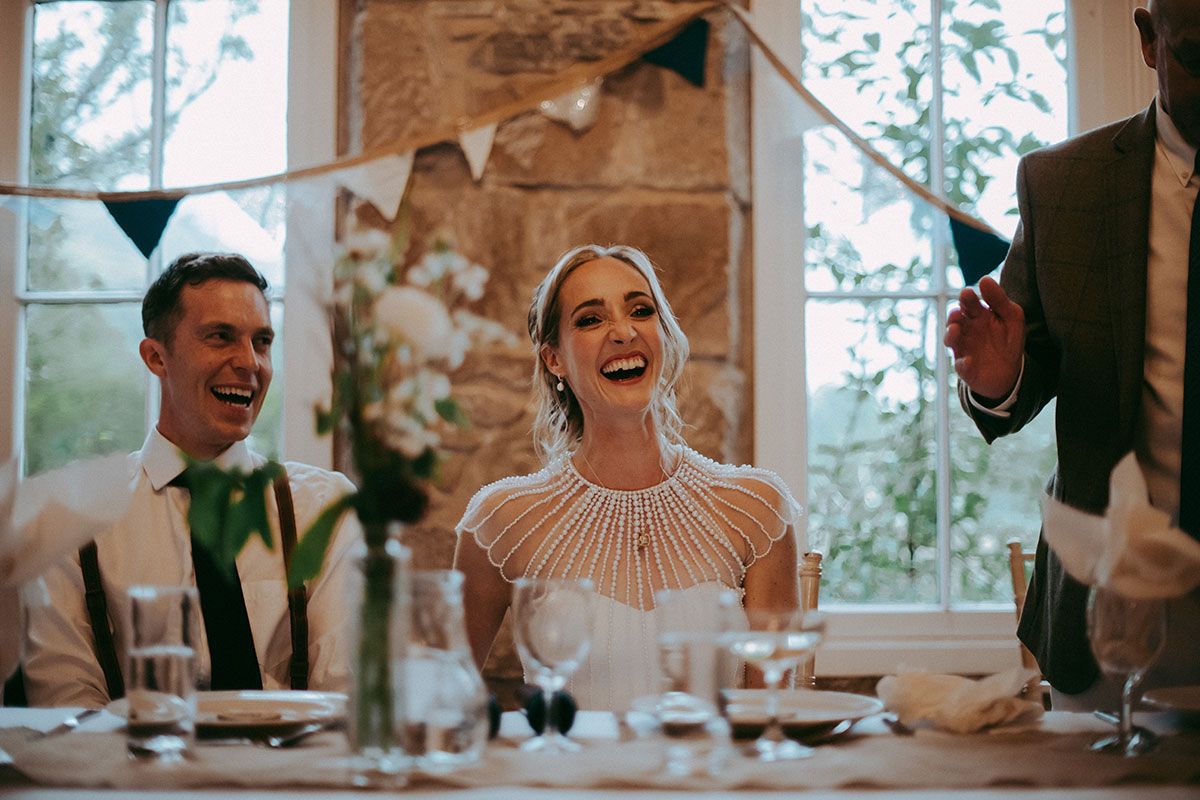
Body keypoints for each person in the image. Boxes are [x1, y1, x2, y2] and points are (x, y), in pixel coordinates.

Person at [944, 0, 1200, 708]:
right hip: (1108, 605)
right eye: (1199, 57)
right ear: (1151, 40)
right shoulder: (1065, 185)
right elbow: (1025, 369)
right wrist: (1000, 377)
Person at [453, 244, 803, 712]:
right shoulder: (501, 521)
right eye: (590, 319)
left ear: (662, 334)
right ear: (553, 359)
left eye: (641, 310)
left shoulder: (756, 510)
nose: (623, 332)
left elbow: (772, 722)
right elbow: (439, 703)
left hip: (707, 782)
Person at [21, 252, 362, 707]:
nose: (250, 364)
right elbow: (66, 708)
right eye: (221, 337)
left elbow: (347, 697)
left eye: (261, 342)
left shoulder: (327, 507)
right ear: (156, 358)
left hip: (289, 773)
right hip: (130, 772)